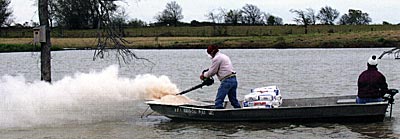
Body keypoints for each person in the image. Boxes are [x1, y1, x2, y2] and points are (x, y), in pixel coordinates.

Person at [200, 45, 241, 109]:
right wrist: (207, 71)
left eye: (210, 54)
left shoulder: (217, 58)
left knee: (219, 100)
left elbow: (212, 72)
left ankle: (219, 113)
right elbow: (215, 68)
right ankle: (239, 110)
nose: (210, 56)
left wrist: (204, 75)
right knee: (233, 100)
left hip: (227, 81)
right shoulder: (224, 56)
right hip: (233, 79)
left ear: (212, 52)